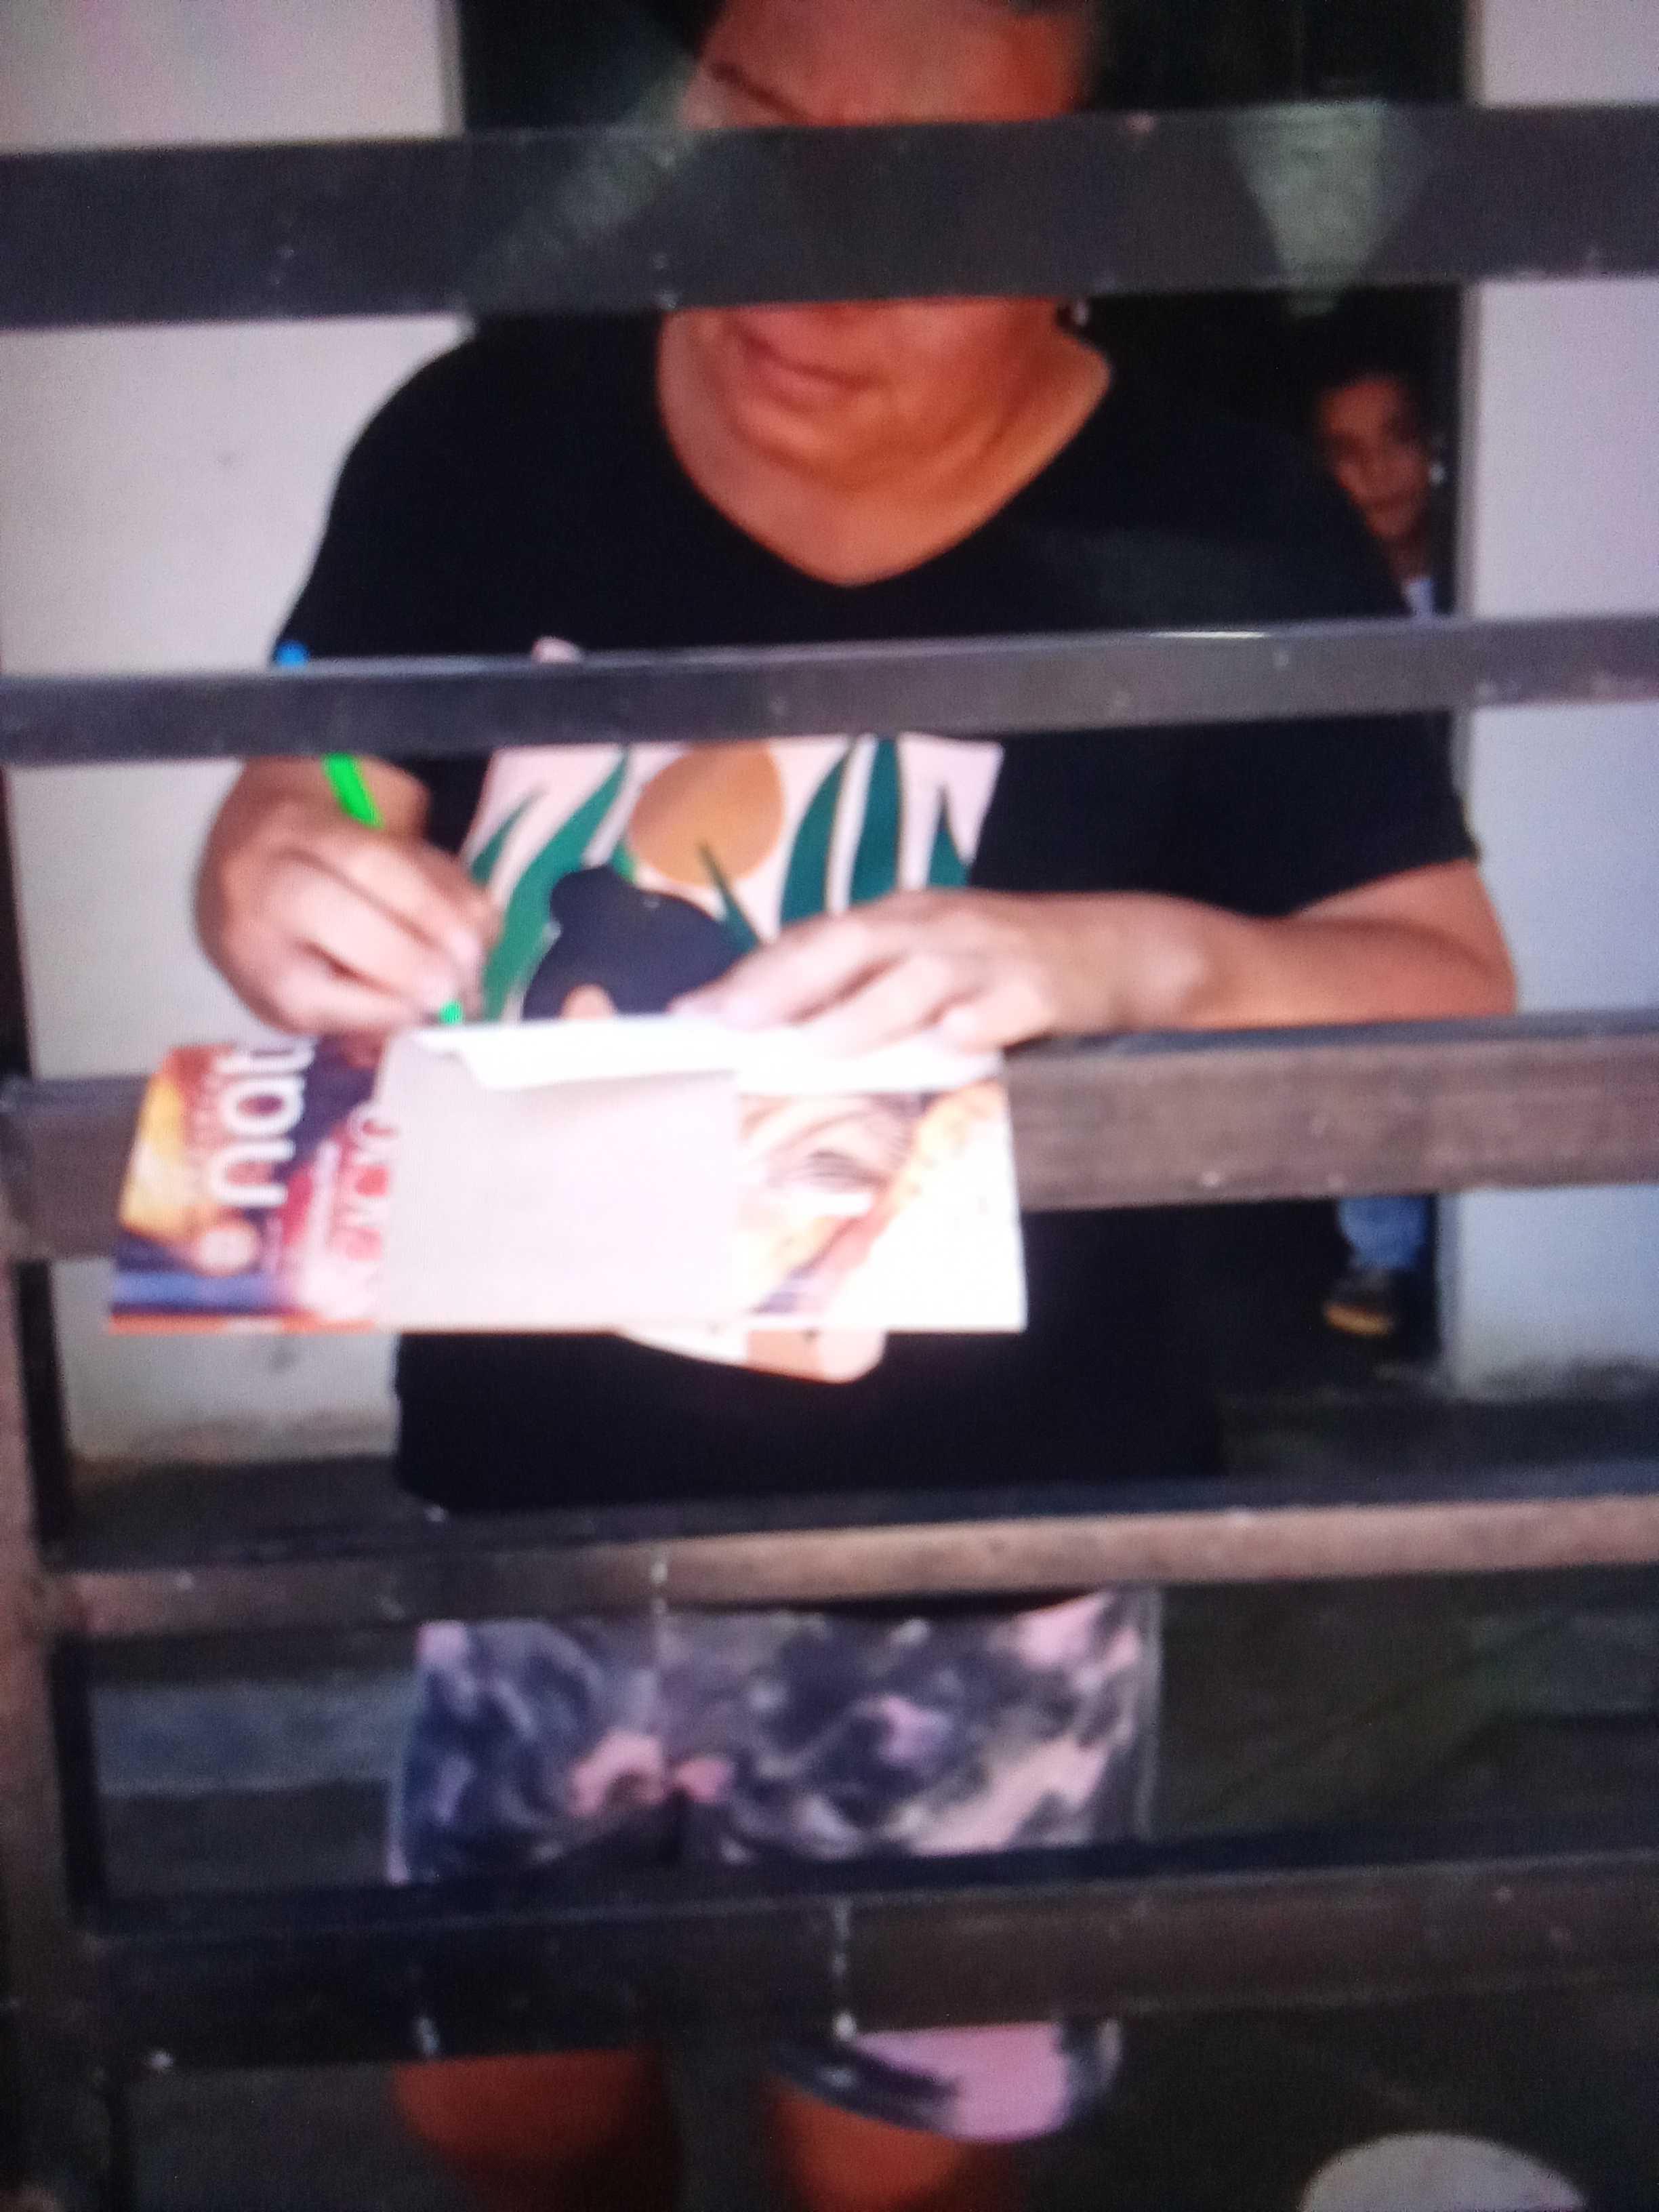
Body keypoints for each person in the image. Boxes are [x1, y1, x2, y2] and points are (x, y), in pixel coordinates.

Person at [196, 2, 1515, 2205]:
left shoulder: (1221, 531)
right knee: (500, 2105)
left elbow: (1444, 1000)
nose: (793, 272)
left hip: (981, 1555)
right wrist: (278, 845)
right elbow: (335, 749)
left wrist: (1112, 954)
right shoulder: (484, 432)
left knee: (892, 2163)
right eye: (752, 141)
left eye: (923, 203)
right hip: (531, 1506)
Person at [1311, 356, 1446, 1345]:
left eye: (1396, 439)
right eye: (1346, 452)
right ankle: (1384, 1250)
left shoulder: (1496, 563)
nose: (1377, 473)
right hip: (1373, 847)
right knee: (1369, 1020)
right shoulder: (1317, 592)